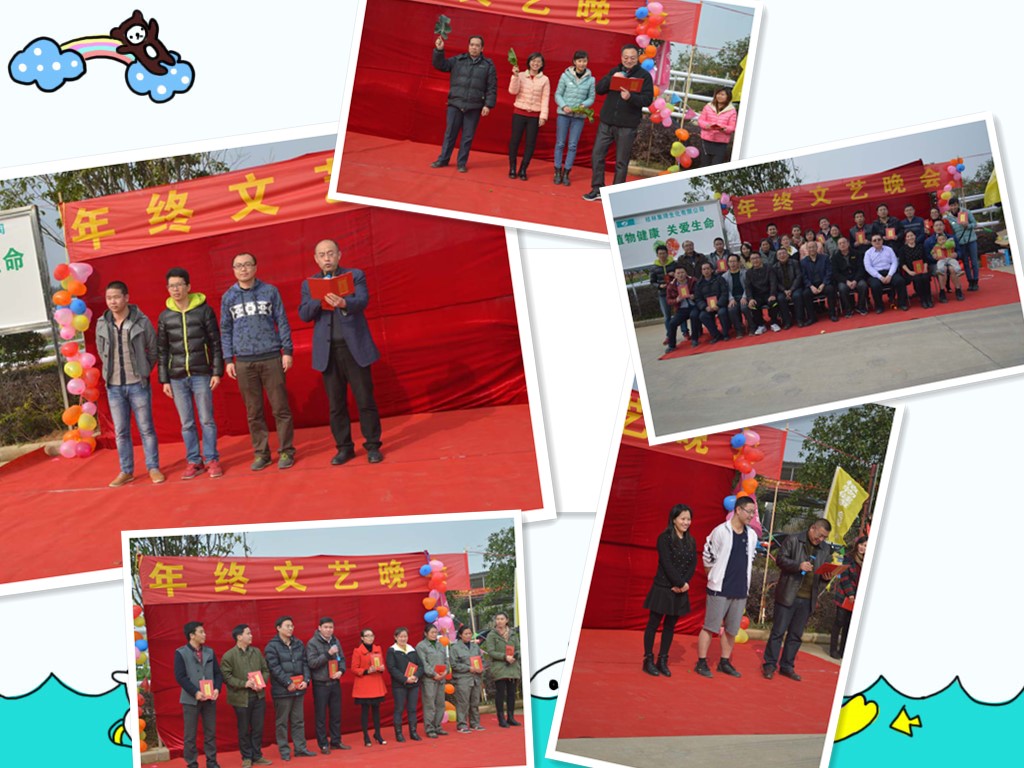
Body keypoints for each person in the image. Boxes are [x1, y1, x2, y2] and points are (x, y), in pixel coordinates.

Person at [298, 240, 383, 466]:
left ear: (339, 255)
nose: (327, 258)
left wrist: (344, 302)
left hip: (355, 349)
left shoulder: (354, 276)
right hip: (329, 352)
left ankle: (373, 446)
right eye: (322, 255)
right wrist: (319, 300)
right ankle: (344, 448)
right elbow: (304, 314)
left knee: (365, 399)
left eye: (330, 253)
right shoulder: (309, 284)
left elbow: (362, 300)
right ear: (316, 259)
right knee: (336, 404)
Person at [221, 253, 296, 471]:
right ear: (233, 270)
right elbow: (225, 329)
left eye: (247, 265)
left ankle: (286, 451)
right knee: (253, 412)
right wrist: (228, 359)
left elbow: (282, 320)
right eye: (238, 266)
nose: (243, 269)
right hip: (244, 361)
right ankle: (261, 454)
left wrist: (287, 351)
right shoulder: (228, 297)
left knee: (280, 408)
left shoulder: (270, 291)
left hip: (271, 356)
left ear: (255, 267)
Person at [157, 267, 224, 480]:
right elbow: (162, 350)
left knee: (206, 419)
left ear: (188, 287)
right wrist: (164, 379)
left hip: (201, 374)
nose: (175, 289)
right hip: (177, 377)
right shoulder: (165, 316)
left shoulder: (204, 311)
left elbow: (215, 342)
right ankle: (194, 461)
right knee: (186, 423)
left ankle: (211, 459)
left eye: (179, 285)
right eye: (171, 286)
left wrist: (217, 372)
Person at [96, 280, 163, 487]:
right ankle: (126, 471)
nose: (113, 302)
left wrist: (144, 369)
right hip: (114, 386)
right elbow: (101, 351)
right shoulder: (102, 323)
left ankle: (153, 467)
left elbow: (153, 349)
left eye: (116, 297)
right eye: (109, 298)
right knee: (121, 432)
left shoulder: (141, 321)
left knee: (146, 429)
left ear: (126, 298)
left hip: (137, 385)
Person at [762, 519, 834, 681]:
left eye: (824, 537)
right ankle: (770, 664)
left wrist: (827, 577)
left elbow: (824, 572)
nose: (821, 539)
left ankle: (787, 666)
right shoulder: (794, 539)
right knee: (778, 632)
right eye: (819, 535)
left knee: (795, 635)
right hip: (788, 594)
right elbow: (780, 560)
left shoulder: (825, 549)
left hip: (808, 598)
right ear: (812, 528)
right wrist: (798, 566)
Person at [695, 496, 758, 677]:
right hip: (720, 588)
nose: (751, 516)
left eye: (753, 512)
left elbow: (751, 557)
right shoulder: (721, 531)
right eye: (749, 511)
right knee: (710, 627)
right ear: (738, 510)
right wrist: (712, 576)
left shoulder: (752, 535)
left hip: (740, 588)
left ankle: (724, 661)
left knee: (731, 630)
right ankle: (701, 662)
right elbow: (708, 554)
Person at [582, 45, 654, 202]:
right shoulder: (615, 71)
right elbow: (599, 89)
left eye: (632, 58)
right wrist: (611, 78)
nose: (629, 60)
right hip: (607, 122)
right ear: (621, 57)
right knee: (597, 155)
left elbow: (647, 100)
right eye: (626, 57)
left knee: (621, 161)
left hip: (627, 125)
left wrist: (631, 97)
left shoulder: (644, 76)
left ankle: (615, 195)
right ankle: (597, 189)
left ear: (638, 59)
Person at [642, 504, 697, 678]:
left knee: (670, 626)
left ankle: (663, 660)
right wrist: (679, 582)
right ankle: (648, 660)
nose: (686, 522)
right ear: (674, 519)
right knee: (653, 623)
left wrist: (684, 584)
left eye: (688, 519)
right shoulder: (664, 538)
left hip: (680, 590)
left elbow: (692, 564)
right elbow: (666, 563)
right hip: (663, 588)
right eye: (683, 519)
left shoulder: (691, 541)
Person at [431, 35, 497, 173]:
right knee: (450, 134)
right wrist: (439, 50)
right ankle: (443, 159)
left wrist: (488, 105)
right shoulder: (458, 60)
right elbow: (441, 65)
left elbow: (492, 87)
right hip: (455, 103)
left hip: (474, 106)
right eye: (472, 44)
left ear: (482, 48)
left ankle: (461, 163)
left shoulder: (488, 65)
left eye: (477, 45)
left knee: (467, 137)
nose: (474, 47)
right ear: (468, 46)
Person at [220, 624, 273, 768]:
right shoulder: (229, 655)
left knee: (258, 728)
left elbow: (265, 670)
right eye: (248, 633)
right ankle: (246, 757)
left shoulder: (256, 652)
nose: (251, 636)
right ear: (239, 637)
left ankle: (257, 755)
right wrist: (244, 684)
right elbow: (226, 677)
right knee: (244, 729)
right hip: (241, 699)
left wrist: (261, 682)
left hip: (258, 696)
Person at [264, 616, 315, 760]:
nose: (291, 628)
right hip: (282, 691)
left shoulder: (298, 643)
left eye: (292, 626)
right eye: (287, 626)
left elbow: (305, 663)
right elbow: (274, 668)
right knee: (282, 722)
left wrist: (306, 680)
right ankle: (284, 751)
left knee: (298, 720)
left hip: (299, 688)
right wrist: (287, 683)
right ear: (278, 628)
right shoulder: (272, 646)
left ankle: (300, 748)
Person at [174, 622, 222, 768]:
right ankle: (192, 763)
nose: (204, 634)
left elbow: (218, 673)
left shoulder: (209, 652)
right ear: (192, 635)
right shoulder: (181, 652)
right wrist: (195, 692)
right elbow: (180, 677)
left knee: (210, 733)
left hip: (209, 698)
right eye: (201, 632)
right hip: (191, 699)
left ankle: (212, 762)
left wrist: (217, 689)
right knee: (190, 735)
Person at [306, 617, 350, 754]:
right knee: (321, 715)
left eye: (331, 627)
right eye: (325, 627)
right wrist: (327, 654)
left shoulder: (336, 641)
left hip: (335, 682)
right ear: (319, 628)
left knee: (336, 714)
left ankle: (336, 741)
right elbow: (312, 663)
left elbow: (342, 659)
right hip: (321, 684)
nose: (328, 630)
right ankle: (323, 744)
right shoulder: (312, 643)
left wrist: (341, 671)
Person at [552, 50, 594, 186]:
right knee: (560, 143)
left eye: (584, 61)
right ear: (574, 62)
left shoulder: (591, 79)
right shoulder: (565, 76)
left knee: (572, 145)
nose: (582, 63)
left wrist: (584, 105)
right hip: (564, 115)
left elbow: (591, 97)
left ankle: (566, 173)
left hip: (578, 117)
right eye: (579, 61)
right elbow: (558, 94)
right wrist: (564, 106)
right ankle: (557, 171)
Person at [507, 52, 550, 181]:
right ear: (529, 62)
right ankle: (512, 167)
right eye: (533, 61)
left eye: (538, 62)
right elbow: (513, 91)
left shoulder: (545, 79)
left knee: (530, 143)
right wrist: (515, 76)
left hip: (534, 116)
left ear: (542, 64)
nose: (535, 63)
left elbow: (545, 98)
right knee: (514, 141)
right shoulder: (520, 75)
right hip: (519, 113)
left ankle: (523, 169)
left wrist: (543, 116)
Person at [831, 535, 868, 659]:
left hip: (857, 597)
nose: (862, 548)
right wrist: (851, 594)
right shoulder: (848, 558)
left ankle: (843, 650)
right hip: (845, 594)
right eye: (861, 544)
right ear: (857, 544)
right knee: (839, 621)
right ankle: (833, 649)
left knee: (849, 624)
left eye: (866, 546)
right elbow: (844, 577)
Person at [482, 613, 521, 726]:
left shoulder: (513, 634)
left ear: (507, 620)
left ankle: (511, 717)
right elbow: (491, 651)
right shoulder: (492, 635)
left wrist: (515, 656)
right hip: (499, 667)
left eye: (502, 619)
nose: (499, 621)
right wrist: (504, 657)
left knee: (511, 693)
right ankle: (501, 718)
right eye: (497, 619)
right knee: (500, 693)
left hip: (512, 666)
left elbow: (518, 648)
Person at [351, 629, 388, 747]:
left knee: (376, 710)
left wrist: (381, 668)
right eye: (367, 636)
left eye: (372, 635)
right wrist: (367, 671)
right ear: (362, 638)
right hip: (364, 684)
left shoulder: (378, 649)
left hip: (376, 682)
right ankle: (366, 736)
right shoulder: (358, 651)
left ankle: (378, 734)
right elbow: (354, 668)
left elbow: (381, 663)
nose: (370, 638)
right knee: (365, 711)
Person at [386, 627, 424, 742]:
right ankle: (399, 733)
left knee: (412, 709)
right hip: (400, 685)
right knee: (399, 709)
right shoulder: (392, 650)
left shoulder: (412, 649)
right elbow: (391, 668)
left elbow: (420, 666)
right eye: (401, 636)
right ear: (395, 637)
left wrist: (415, 676)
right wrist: (405, 679)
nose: (403, 639)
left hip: (413, 684)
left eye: (405, 636)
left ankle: (413, 732)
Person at [415, 625, 450, 739]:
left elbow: (446, 660)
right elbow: (423, 663)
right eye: (432, 632)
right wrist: (434, 674)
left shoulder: (440, 645)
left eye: (436, 632)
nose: (434, 634)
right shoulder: (421, 646)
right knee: (429, 704)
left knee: (440, 704)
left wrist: (446, 671)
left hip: (441, 679)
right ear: (426, 633)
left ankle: (438, 726)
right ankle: (429, 728)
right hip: (429, 680)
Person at [450, 625, 485, 733]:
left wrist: (481, 668)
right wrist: (468, 668)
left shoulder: (475, 647)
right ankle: (462, 724)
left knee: (475, 702)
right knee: (463, 703)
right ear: (460, 635)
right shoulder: (455, 648)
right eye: (466, 634)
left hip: (475, 678)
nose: (468, 635)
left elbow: (482, 660)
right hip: (463, 678)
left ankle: (475, 723)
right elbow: (454, 664)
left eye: (470, 633)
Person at [864, 234, 908, 312]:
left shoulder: (889, 249)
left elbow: (894, 262)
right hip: (876, 274)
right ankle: (879, 306)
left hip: (889, 272)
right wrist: (880, 277)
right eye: (874, 240)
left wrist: (889, 275)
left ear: (882, 240)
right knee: (875, 285)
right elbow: (868, 267)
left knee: (900, 281)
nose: (877, 241)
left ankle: (902, 303)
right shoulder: (868, 253)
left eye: (879, 239)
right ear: (871, 243)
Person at [945, 196, 980, 290]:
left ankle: (976, 281)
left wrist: (968, 225)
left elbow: (974, 224)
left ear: (958, 204)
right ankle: (970, 282)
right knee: (965, 263)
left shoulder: (966, 212)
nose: (953, 207)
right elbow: (950, 231)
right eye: (951, 205)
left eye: (955, 205)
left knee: (974, 261)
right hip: (960, 242)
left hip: (971, 240)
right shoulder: (948, 218)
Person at [925, 224, 966, 303]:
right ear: (933, 228)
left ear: (944, 227)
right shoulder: (929, 241)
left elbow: (959, 250)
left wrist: (957, 254)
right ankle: (942, 291)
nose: (939, 227)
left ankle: (958, 290)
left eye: (940, 225)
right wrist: (933, 257)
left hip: (950, 259)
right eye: (936, 226)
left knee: (952, 269)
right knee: (942, 269)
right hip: (937, 262)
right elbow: (927, 255)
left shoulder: (952, 238)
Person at [744, 251, 782, 335]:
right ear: (750, 261)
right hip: (757, 295)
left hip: (769, 293)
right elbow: (748, 287)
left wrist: (772, 294)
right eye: (753, 259)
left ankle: (774, 322)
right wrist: (750, 299)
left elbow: (773, 282)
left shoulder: (769, 268)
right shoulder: (748, 273)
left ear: (761, 259)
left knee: (773, 302)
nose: (755, 260)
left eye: (757, 258)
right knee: (753, 305)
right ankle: (761, 325)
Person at [697, 87, 736, 167]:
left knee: (716, 164)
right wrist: (707, 125)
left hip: (721, 143)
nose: (719, 96)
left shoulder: (732, 111)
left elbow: (732, 127)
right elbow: (700, 120)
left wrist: (723, 128)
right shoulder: (708, 107)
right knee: (704, 164)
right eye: (718, 94)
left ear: (728, 96)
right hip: (706, 140)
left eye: (722, 94)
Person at [830, 237, 868, 317]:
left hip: (856, 278)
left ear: (848, 244)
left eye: (844, 242)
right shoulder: (835, 258)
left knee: (863, 285)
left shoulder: (857, 254)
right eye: (840, 244)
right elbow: (835, 273)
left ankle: (861, 306)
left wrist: (855, 280)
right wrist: (846, 281)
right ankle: (848, 309)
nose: (842, 245)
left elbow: (861, 269)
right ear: (838, 246)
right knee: (842, 288)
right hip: (844, 280)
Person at [800, 241, 835, 324]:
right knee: (805, 294)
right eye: (809, 248)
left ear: (817, 248)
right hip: (811, 285)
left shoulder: (825, 258)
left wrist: (823, 284)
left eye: (813, 247)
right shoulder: (803, 262)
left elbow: (829, 272)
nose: (812, 249)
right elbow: (804, 277)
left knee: (830, 289)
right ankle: (812, 317)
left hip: (823, 283)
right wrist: (811, 286)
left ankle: (832, 314)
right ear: (807, 249)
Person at [694, 261, 729, 343]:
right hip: (707, 306)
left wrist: (719, 304)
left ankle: (726, 334)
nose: (706, 271)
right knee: (703, 316)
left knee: (722, 313)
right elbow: (698, 298)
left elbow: (724, 293)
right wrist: (705, 307)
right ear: (701, 271)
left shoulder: (719, 279)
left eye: (708, 268)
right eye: (704, 269)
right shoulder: (699, 284)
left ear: (712, 270)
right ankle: (716, 335)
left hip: (720, 305)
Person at [897, 230, 935, 308]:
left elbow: (925, 259)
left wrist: (925, 268)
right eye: (908, 236)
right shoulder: (902, 249)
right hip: (911, 271)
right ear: (905, 238)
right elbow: (902, 263)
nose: (910, 237)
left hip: (923, 269)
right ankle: (922, 299)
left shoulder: (920, 246)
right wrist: (909, 272)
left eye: (912, 235)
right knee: (917, 279)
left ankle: (928, 298)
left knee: (925, 277)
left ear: (915, 236)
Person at [665, 266, 699, 350]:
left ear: (686, 273)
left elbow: (701, 292)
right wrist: (676, 300)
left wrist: (694, 296)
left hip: (694, 306)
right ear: (675, 275)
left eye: (682, 272)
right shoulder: (671, 286)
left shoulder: (693, 281)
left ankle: (694, 339)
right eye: (678, 273)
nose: (680, 275)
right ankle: (671, 345)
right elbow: (668, 300)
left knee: (694, 316)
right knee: (672, 323)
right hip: (681, 308)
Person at [649, 244, 676, 346]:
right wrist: (659, 286)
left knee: (679, 313)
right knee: (667, 316)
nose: (662, 255)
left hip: (675, 292)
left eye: (664, 253)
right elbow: (652, 282)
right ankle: (669, 335)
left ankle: (685, 332)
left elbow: (681, 275)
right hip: (663, 294)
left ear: (667, 253)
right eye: (660, 254)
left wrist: (675, 274)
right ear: (657, 255)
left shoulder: (673, 264)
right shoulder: (654, 268)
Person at [771, 247, 802, 330]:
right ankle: (787, 321)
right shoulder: (774, 267)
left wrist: (791, 290)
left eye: (784, 253)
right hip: (782, 290)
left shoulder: (795, 263)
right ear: (777, 257)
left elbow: (798, 277)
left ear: (788, 255)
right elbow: (775, 282)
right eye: (780, 254)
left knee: (797, 296)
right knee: (780, 299)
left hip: (795, 288)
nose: (782, 255)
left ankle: (799, 319)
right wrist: (784, 291)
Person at [721, 254, 750, 337]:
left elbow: (748, 287)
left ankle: (752, 326)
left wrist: (744, 297)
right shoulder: (724, 276)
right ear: (727, 263)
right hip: (733, 298)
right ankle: (739, 329)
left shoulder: (745, 273)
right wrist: (731, 299)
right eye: (730, 262)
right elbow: (726, 290)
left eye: (734, 261)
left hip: (744, 296)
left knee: (744, 307)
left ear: (738, 262)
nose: (732, 264)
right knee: (731, 309)